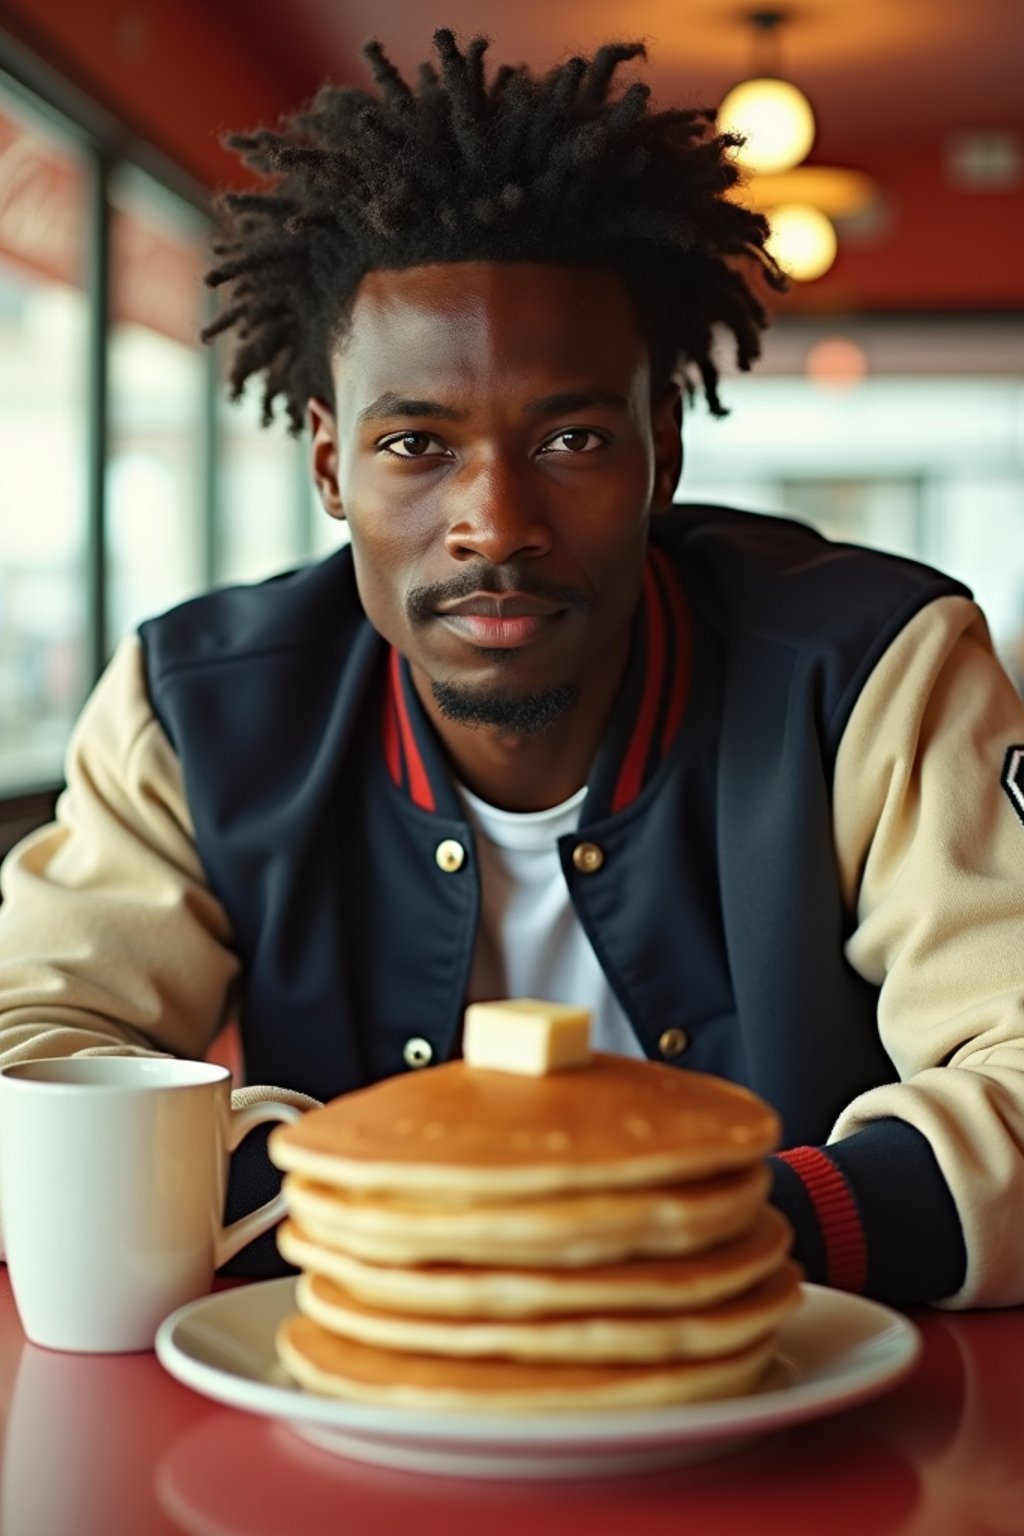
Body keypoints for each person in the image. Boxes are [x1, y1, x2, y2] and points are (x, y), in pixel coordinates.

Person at [2, 29, 1023, 1305]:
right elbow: (32, 1051)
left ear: (663, 449)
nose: (494, 521)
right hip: (345, 1433)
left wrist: (716, 1236)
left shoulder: (876, 671)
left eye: (573, 436)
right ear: (329, 465)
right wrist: (362, 1199)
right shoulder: (192, 707)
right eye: (418, 444)